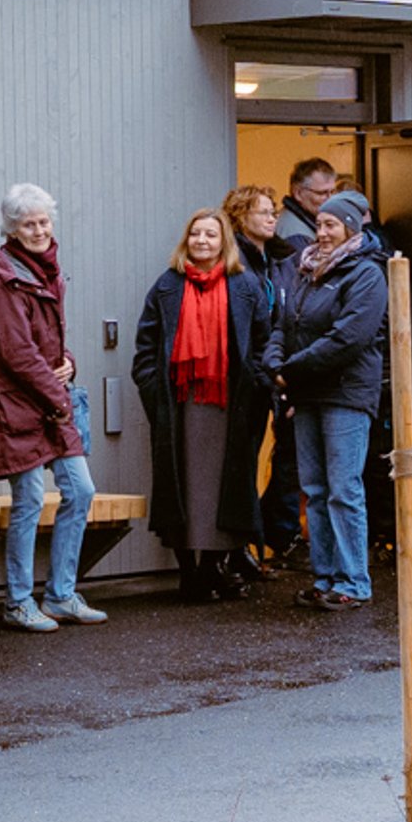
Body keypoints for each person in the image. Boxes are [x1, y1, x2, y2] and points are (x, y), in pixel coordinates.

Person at [132, 208, 273, 601]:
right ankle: (188, 573)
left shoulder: (245, 286)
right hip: (180, 405)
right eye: (195, 234)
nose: (202, 241)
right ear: (186, 240)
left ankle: (212, 568)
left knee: (223, 490)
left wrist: (257, 388)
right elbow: (145, 348)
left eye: (211, 234)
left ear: (224, 241)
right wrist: (153, 391)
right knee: (183, 489)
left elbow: (263, 342)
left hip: (230, 406)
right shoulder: (167, 285)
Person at [0, 185, 103, 633]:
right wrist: (58, 395)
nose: (38, 230)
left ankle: (60, 595)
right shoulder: (3, 282)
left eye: (43, 221)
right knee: (30, 500)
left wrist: (68, 361)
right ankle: (18, 601)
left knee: (81, 491)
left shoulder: (48, 271)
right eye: (28, 224)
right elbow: (17, 353)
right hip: (18, 407)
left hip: (50, 403)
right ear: (12, 230)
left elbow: (48, 342)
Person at [269, 191, 390, 606]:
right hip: (306, 392)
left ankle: (353, 581)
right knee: (315, 489)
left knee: (343, 489)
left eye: (331, 225)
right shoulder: (306, 271)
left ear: (351, 228)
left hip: (345, 394)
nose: (321, 233)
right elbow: (284, 324)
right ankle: (324, 578)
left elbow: (348, 338)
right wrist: (275, 363)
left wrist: (290, 369)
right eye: (319, 224)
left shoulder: (367, 275)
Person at [253, 157, 340, 565]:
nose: (328, 200)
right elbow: (292, 314)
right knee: (292, 457)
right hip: (289, 366)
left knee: (293, 457)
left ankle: (277, 530)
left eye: (333, 192)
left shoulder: (299, 230)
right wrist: (288, 372)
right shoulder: (296, 238)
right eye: (322, 193)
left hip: (289, 363)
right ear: (299, 193)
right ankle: (280, 532)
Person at [224, 184, 294, 587]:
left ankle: (254, 543)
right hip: (247, 380)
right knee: (240, 463)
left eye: (273, 212)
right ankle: (237, 549)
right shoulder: (235, 261)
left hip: (270, 376)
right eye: (263, 212)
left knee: (265, 459)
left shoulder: (276, 260)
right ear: (240, 216)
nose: (272, 218)